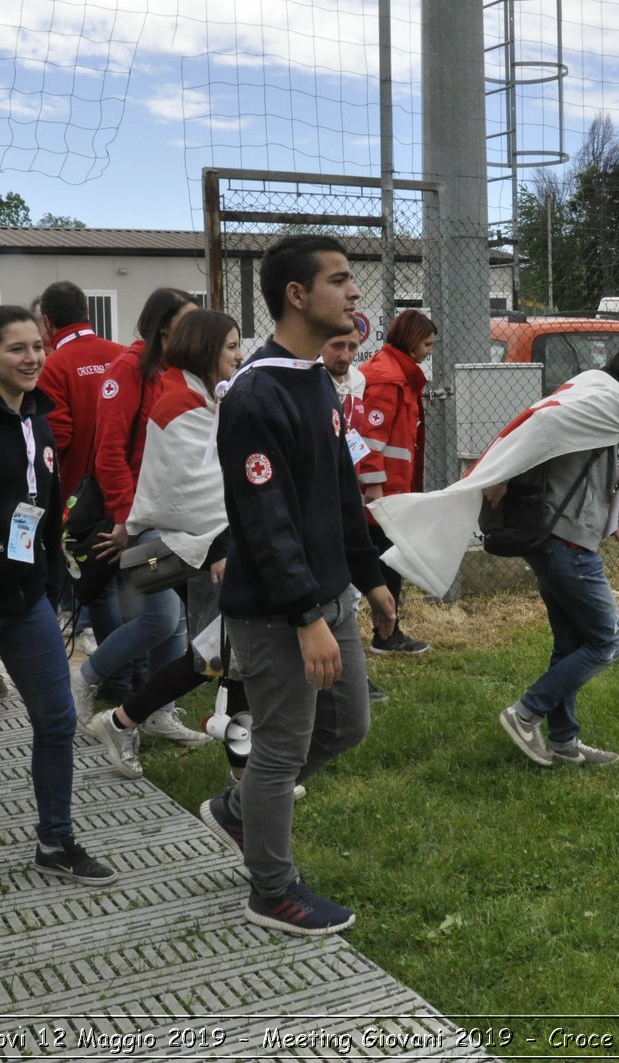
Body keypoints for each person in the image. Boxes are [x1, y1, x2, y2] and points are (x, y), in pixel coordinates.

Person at [201, 234, 396, 936]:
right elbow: (266, 521)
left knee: (347, 723)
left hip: (329, 595)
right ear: (296, 294)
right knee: (282, 744)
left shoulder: (319, 378)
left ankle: (240, 807)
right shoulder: (255, 394)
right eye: (340, 280)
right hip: (281, 609)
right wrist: (306, 615)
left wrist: (370, 578)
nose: (354, 293)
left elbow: (340, 492)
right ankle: (272, 889)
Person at [369, 336, 619, 768]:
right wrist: (500, 472)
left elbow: (575, 467)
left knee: (570, 643)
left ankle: (565, 743)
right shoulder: (604, 400)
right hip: (565, 543)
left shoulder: (592, 399)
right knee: (607, 640)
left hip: (561, 538)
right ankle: (527, 712)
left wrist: (611, 523)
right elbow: (539, 430)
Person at [0, 301, 116, 884]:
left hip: (28, 599)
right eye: (18, 349)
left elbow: (41, 506)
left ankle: (55, 839)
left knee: (57, 719)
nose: (33, 358)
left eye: (38, 346)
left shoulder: (37, 415)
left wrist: (52, 576)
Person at [87, 309, 257, 779]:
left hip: (217, 544)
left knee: (219, 655)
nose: (239, 355)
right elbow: (189, 489)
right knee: (224, 655)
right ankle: (244, 777)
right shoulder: (180, 402)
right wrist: (223, 544)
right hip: (211, 548)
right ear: (204, 349)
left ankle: (124, 720)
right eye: (230, 346)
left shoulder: (200, 395)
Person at [70, 288, 207, 748]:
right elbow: (109, 453)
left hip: (174, 514)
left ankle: (158, 712)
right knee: (161, 618)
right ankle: (85, 680)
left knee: (179, 622)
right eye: (188, 321)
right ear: (165, 325)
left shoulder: (176, 373)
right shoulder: (127, 370)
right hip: (142, 515)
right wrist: (128, 521)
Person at [35, 280, 125, 658]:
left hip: (81, 499)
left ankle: (114, 674)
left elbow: (58, 438)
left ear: (46, 322)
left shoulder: (53, 366)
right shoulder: (121, 355)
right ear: (87, 313)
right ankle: (131, 672)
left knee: (97, 587)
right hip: (126, 491)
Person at [357, 309, 438, 655]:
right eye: (426, 344)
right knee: (387, 559)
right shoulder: (388, 379)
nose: (429, 351)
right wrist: (374, 486)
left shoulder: (393, 373)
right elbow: (370, 437)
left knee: (386, 557)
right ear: (410, 340)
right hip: (383, 490)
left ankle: (388, 631)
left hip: (389, 486)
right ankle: (387, 634)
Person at [319, 323, 388, 705]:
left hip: (346, 494)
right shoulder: (310, 382)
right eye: (336, 346)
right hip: (319, 501)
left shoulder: (356, 381)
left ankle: (350, 675)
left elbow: (354, 437)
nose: (344, 355)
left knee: (351, 593)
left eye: (351, 346)